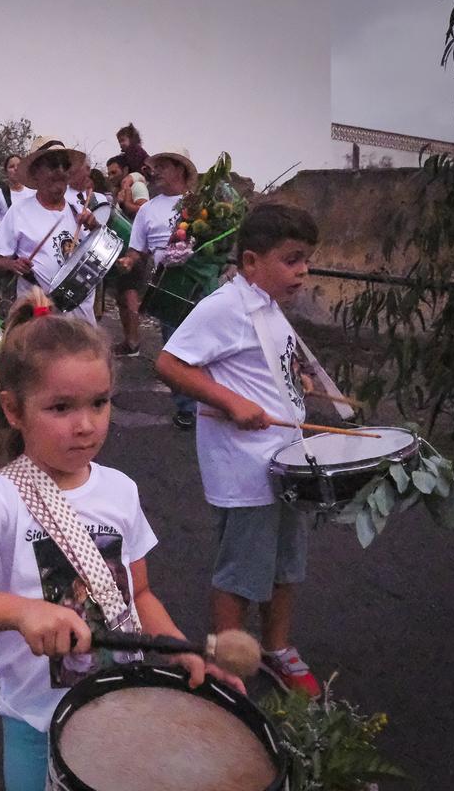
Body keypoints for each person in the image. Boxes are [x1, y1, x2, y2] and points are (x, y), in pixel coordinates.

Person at [0, 291, 243, 790]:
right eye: (60, 407)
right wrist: (22, 612)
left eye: (99, 403)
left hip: (119, 705)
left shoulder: (121, 491)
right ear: (15, 411)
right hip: (36, 722)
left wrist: (179, 651)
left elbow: (140, 593)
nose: (86, 425)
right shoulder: (1, 498)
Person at [154, 203, 322, 699]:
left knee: (285, 564)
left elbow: (262, 365)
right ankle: (224, 665)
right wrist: (229, 400)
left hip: (285, 460)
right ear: (251, 262)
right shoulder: (226, 306)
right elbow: (170, 363)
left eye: (306, 259)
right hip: (248, 469)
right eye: (292, 259)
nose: (303, 271)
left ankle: (277, 648)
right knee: (241, 573)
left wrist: (299, 379)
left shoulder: (268, 308)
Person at [0, 137, 101, 323]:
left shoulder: (79, 211)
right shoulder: (19, 212)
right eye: (53, 165)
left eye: (65, 166)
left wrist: (96, 230)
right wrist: (13, 265)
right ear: (35, 173)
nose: (60, 171)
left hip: (81, 323)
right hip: (39, 321)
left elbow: (102, 262)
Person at [118, 149, 197, 413]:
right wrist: (129, 261)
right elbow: (137, 249)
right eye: (156, 166)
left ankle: (209, 405)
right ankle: (186, 408)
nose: (157, 171)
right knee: (175, 348)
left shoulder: (199, 204)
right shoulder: (147, 209)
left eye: (164, 166)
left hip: (201, 285)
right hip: (166, 287)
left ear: (181, 170)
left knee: (209, 347)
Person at [0, 154, 35, 231]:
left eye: (19, 165)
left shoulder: (33, 193)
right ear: (6, 172)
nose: (16, 169)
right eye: (11, 166)